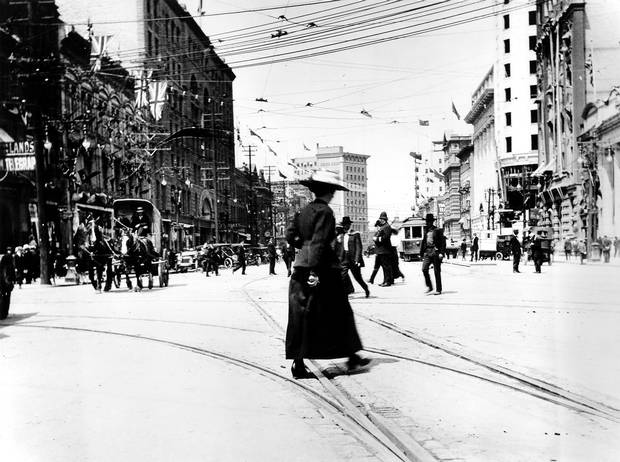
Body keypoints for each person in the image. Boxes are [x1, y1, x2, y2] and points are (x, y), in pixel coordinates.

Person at [285, 170, 369, 380]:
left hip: (300, 268)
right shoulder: (325, 212)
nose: (333, 195)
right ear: (329, 191)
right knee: (340, 312)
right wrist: (314, 271)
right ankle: (352, 355)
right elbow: (320, 242)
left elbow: (290, 235)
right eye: (332, 191)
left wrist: (301, 247)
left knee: (301, 315)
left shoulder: (303, 211)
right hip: (322, 270)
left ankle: (299, 362)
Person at [338, 216, 370, 298]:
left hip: (353, 259)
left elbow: (359, 247)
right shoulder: (341, 234)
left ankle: (366, 288)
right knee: (342, 276)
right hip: (344, 257)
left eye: (347, 224)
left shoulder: (355, 234)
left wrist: (357, 259)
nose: (346, 226)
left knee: (358, 278)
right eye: (344, 224)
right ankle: (345, 293)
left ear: (349, 225)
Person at [420, 213, 446, 295]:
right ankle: (430, 286)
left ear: (432, 222)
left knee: (436, 271)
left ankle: (438, 289)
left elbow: (443, 242)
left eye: (429, 221)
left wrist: (441, 253)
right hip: (427, 251)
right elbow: (424, 241)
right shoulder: (426, 230)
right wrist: (421, 253)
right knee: (424, 269)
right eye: (427, 222)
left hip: (435, 251)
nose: (428, 223)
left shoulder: (437, 230)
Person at [369, 212, 393, 286]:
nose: (381, 220)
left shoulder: (387, 227)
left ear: (385, 219)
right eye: (380, 218)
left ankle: (387, 281)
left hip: (385, 250)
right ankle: (385, 281)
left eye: (382, 219)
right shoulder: (383, 227)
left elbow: (385, 238)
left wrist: (376, 239)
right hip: (381, 250)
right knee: (383, 267)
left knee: (386, 267)